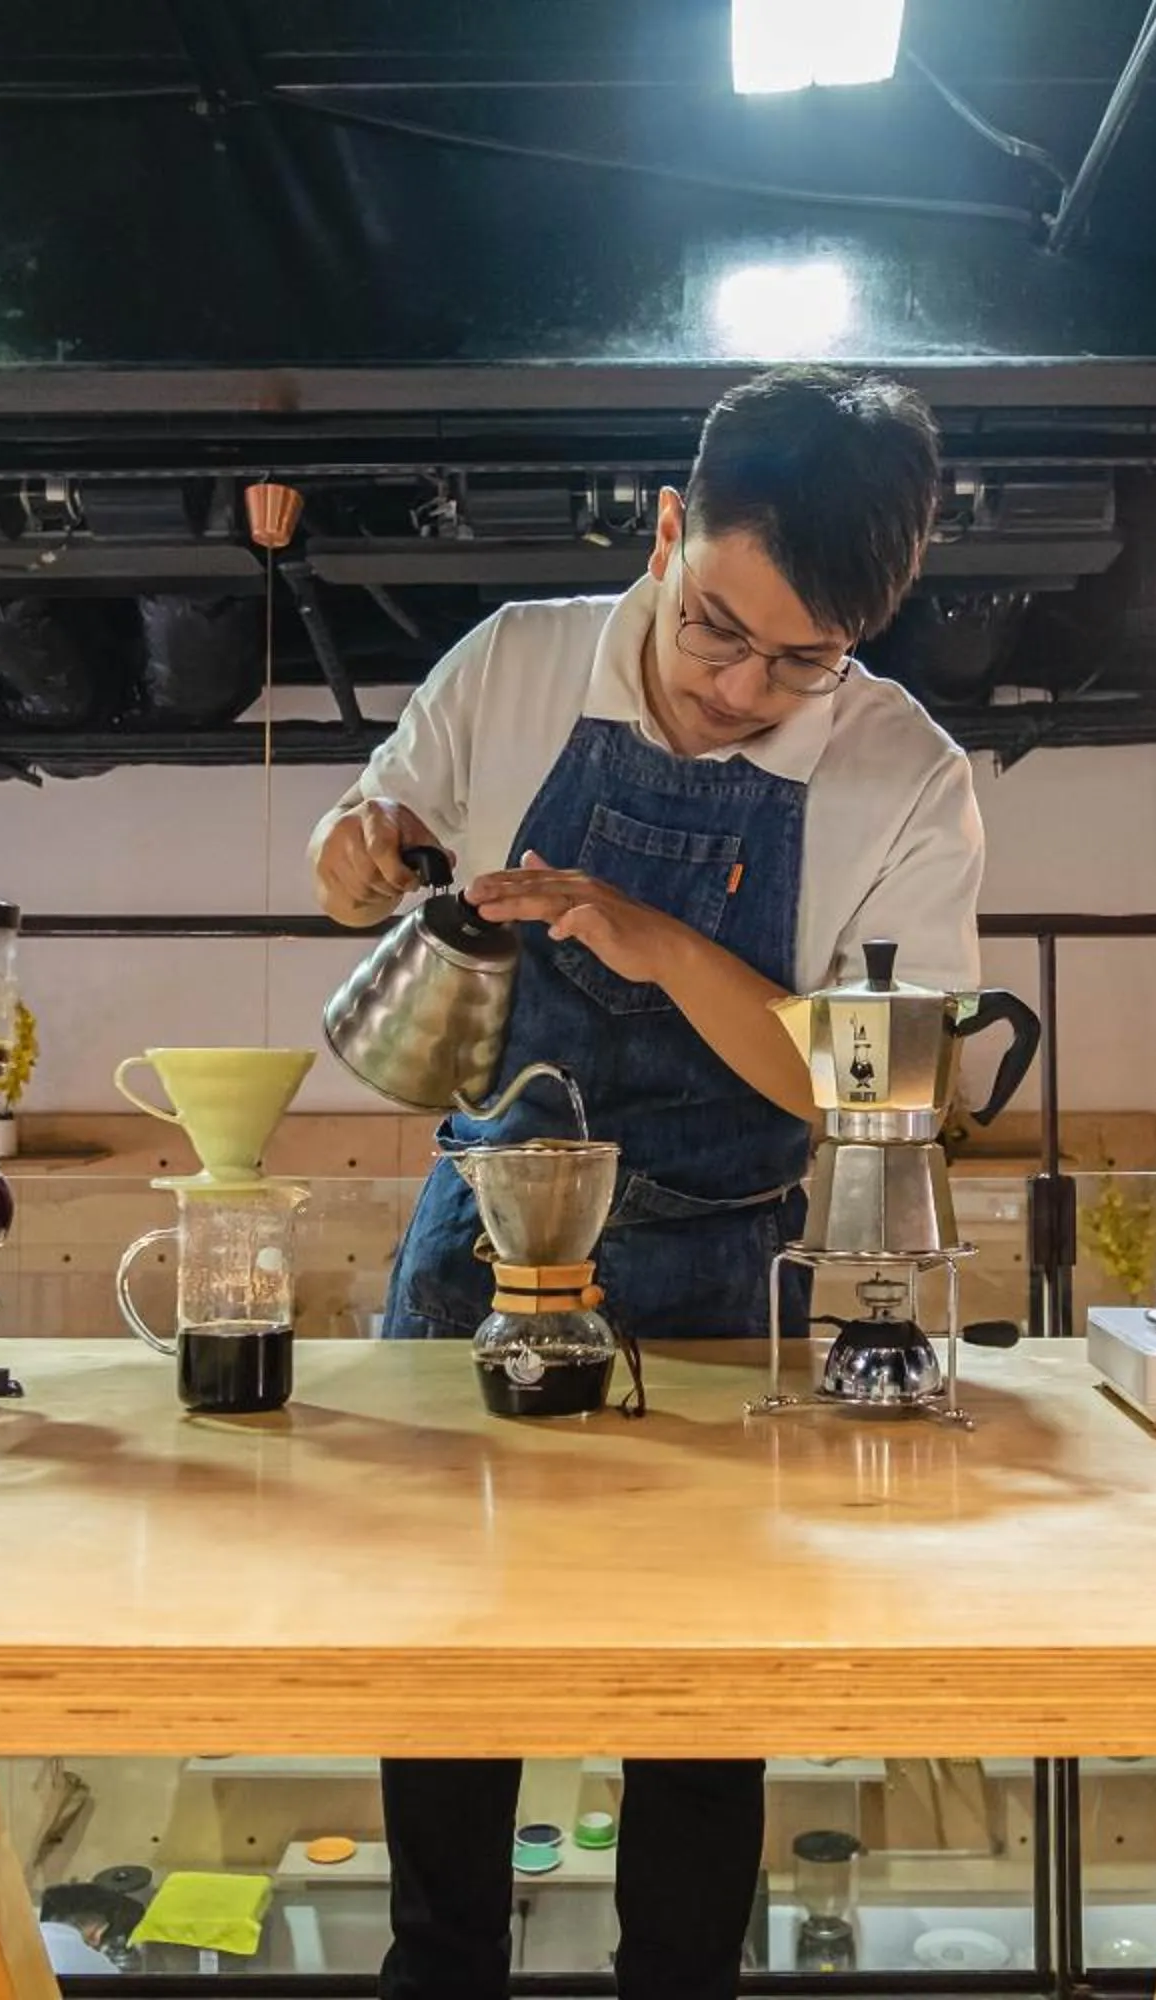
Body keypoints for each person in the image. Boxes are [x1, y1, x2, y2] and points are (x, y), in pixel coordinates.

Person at [306, 364, 987, 2000]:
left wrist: (661, 939)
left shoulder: (908, 776)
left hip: (716, 1279)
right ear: (670, 529)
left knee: (702, 1708)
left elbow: (888, 1094)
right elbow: (365, 851)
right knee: (450, 1670)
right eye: (717, 630)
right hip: (481, 1235)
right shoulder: (521, 659)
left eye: (805, 658)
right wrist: (356, 842)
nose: (749, 688)